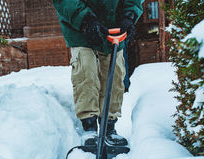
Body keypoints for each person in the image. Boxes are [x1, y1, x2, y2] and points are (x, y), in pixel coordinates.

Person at [53, 0, 143, 147]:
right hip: (80, 30)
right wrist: (86, 20)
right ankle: (89, 127)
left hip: (114, 27)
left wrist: (129, 15)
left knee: (114, 77)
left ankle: (109, 127)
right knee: (86, 73)